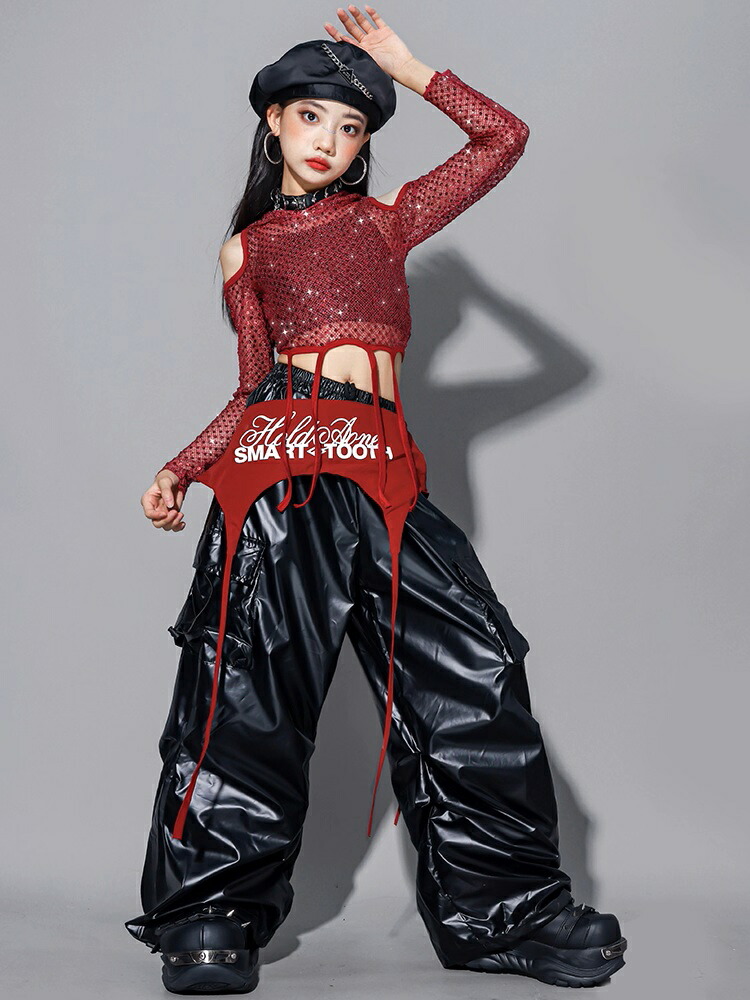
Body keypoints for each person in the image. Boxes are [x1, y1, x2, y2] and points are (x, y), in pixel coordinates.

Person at [126, 6, 627, 994]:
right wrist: (182, 467)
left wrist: (409, 67)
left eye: (352, 126)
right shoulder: (250, 249)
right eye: (311, 117)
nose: (330, 140)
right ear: (273, 121)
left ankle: (504, 912)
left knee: (474, 674)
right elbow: (251, 389)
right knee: (248, 690)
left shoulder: (387, 219)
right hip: (282, 472)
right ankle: (210, 914)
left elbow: (503, 139)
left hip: (386, 476)